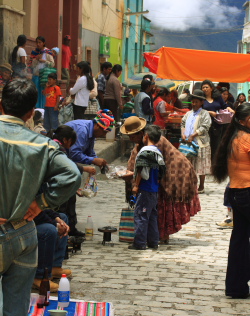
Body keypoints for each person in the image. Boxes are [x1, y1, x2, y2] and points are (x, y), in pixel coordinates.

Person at [0, 79, 81, 316]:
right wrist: (41, 203)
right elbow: (72, 175)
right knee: (16, 306)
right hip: (24, 233)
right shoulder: (42, 144)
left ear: (2, 105)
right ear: (30, 113)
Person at [120, 116, 201, 244]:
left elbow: (143, 167)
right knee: (154, 210)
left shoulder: (152, 144)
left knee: (161, 206)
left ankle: (157, 236)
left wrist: (134, 182)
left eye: (133, 136)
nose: (131, 139)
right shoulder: (145, 143)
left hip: (175, 172)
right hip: (157, 179)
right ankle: (155, 237)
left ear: (141, 133)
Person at [212, 102, 250, 298]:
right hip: (247, 192)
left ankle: (236, 287)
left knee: (240, 240)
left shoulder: (234, 137)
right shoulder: (246, 138)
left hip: (237, 192)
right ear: (247, 120)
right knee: (240, 240)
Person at [48, 125, 96, 236]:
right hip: (55, 185)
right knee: (63, 209)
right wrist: (84, 168)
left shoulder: (57, 146)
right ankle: (66, 230)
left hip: (60, 182)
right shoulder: (57, 149)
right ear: (65, 140)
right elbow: (67, 167)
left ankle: (70, 228)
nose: (71, 146)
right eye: (71, 142)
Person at [128, 125, 166, 250]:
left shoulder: (145, 152)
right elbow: (162, 171)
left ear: (147, 136)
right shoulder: (158, 152)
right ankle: (153, 241)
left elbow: (140, 170)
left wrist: (136, 186)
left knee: (141, 216)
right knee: (152, 217)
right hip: (154, 190)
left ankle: (139, 243)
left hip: (145, 189)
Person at [181, 89, 212, 193]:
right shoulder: (188, 114)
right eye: (193, 102)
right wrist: (183, 133)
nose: (194, 104)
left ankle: (201, 186)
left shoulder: (205, 114)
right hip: (189, 144)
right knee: (189, 165)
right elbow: (183, 123)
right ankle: (191, 184)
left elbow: (205, 127)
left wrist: (194, 134)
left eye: (196, 102)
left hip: (200, 143)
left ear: (202, 102)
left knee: (201, 165)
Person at [33, 211, 70, 292]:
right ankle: (40, 276)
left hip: (37, 216)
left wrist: (56, 218)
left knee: (63, 218)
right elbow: (34, 213)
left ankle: (54, 266)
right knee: (49, 230)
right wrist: (55, 225)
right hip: (23, 223)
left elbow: (44, 208)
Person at [201, 79, 228, 161]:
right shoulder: (201, 99)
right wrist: (209, 112)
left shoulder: (218, 97)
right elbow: (198, 110)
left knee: (216, 145)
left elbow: (224, 106)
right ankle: (206, 163)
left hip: (217, 125)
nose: (205, 89)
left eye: (207, 87)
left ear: (211, 88)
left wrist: (232, 110)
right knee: (206, 145)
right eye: (203, 87)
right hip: (204, 126)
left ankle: (214, 164)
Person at [29, 36, 55, 108]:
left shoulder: (48, 53)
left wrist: (45, 61)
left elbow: (52, 64)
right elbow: (31, 65)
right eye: (37, 42)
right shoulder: (34, 52)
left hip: (44, 77)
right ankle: (36, 109)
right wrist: (36, 59)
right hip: (36, 76)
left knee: (44, 93)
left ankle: (43, 109)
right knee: (36, 93)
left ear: (44, 43)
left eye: (40, 42)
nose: (38, 44)